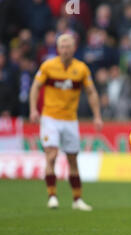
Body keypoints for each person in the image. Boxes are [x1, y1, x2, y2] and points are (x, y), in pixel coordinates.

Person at [29, 33, 103, 211]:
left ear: (74, 48)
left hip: (70, 120)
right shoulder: (48, 66)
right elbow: (35, 86)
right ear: (57, 48)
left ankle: (77, 200)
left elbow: (91, 92)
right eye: (62, 46)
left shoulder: (82, 69)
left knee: (73, 160)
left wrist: (97, 115)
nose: (65, 49)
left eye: (68, 46)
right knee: (52, 155)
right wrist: (33, 109)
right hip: (50, 118)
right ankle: (52, 196)